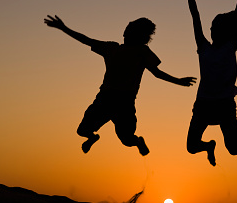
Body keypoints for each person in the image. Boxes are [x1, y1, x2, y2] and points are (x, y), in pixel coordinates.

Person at [44, 15, 196, 155]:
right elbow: (87, 40)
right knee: (82, 131)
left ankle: (138, 142)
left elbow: (157, 73)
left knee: (127, 140)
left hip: (125, 102)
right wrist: (63, 28)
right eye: (125, 30)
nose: (124, 34)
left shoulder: (142, 52)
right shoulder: (112, 48)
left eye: (128, 31)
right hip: (104, 99)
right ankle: (92, 138)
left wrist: (179, 81)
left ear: (140, 36)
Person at [183, 0, 237, 166]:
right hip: (203, 104)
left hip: (225, 105)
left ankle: (226, 131)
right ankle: (209, 146)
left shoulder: (230, 46)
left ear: (225, 32)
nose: (212, 31)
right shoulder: (203, 47)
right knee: (192, 146)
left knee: (234, 149)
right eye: (211, 28)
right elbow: (195, 16)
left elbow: (236, 16)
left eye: (215, 29)